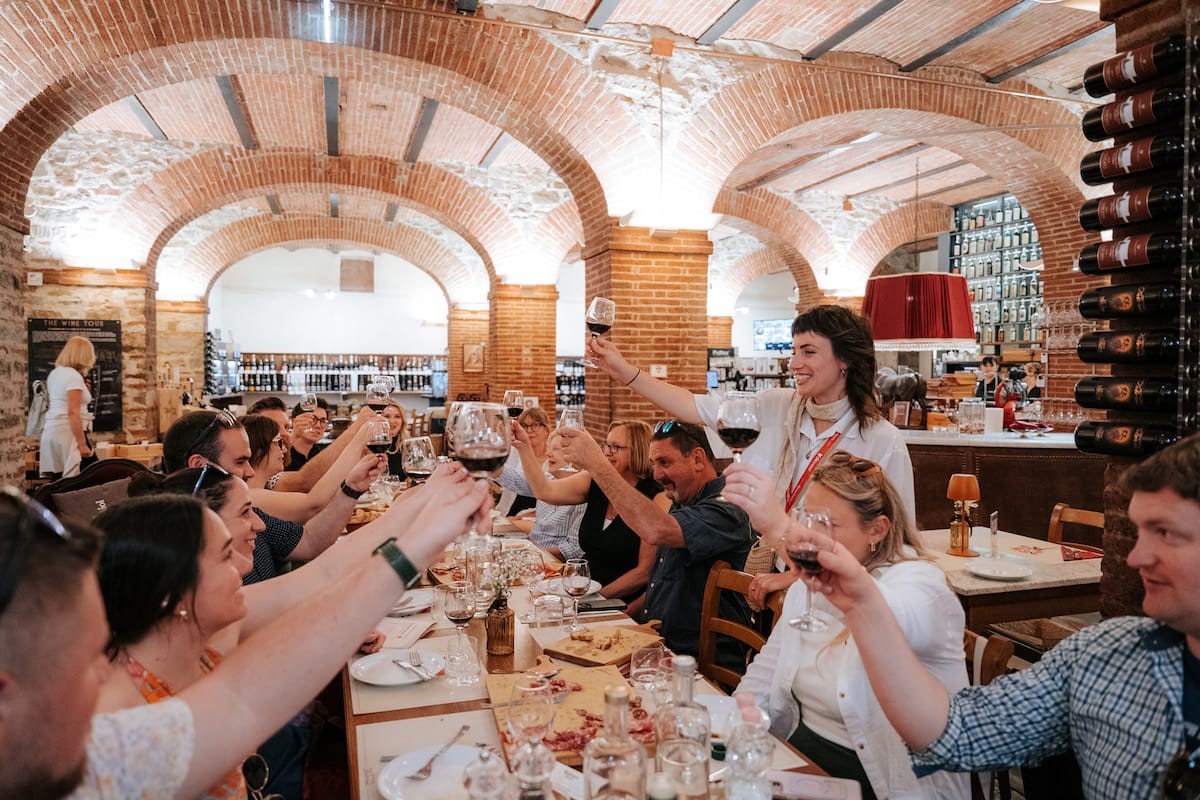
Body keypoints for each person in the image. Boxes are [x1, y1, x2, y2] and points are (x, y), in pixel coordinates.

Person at [0, 468, 489, 800]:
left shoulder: (107, 752)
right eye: (88, 657)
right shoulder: (111, 728)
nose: (243, 560)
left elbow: (247, 695)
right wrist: (412, 547)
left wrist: (423, 522)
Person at [788, 431, 1200, 798]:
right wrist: (861, 603)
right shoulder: (1104, 656)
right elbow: (956, 733)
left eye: (1165, 533)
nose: (1138, 556)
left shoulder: (920, 584)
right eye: (1140, 532)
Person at [587, 304, 914, 604]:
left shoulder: (882, 441)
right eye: (794, 350)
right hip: (779, 586)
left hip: (844, 596)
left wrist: (795, 574)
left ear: (846, 360)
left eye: (809, 352)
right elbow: (693, 406)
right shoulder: (777, 406)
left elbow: (892, 544)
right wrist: (624, 371)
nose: (794, 362)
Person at [733, 451, 969, 799]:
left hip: (887, 781)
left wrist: (777, 528)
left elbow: (880, 612)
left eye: (826, 524)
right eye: (807, 519)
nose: (810, 535)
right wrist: (739, 726)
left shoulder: (922, 585)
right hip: (798, 766)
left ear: (877, 529)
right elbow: (762, 680)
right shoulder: (805, 590)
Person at [556, 419, 753, 662]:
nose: (657, 474)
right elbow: (661, 583)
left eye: (665, 462)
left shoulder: (727, 506)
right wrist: (618, 617)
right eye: (653, 464)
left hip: (693, 660)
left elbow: (655, 530)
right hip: (655, 640)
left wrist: (598, 465)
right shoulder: (684, 502)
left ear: (698, 459)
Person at [161, 411, 377, 583]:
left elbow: (310, 541)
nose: (250, 471)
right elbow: (263, 609)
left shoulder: (249, 515)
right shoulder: (183, 553)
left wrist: (351, 489)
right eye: (239, 462)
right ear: (199, 465)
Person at [514, 420, 667, 604]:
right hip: (580, 591)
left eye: (616, 447)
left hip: (618, 601)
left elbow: (644, 573)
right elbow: (543, 491)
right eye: (607, 445)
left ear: (638, 451)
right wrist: (524, 447)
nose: (607, 452)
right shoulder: (594, 481)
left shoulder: (657, 495)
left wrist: (594, 599)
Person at [497, 427, 587, 558]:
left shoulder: (582, 494)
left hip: (552, 564)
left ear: (574, 455)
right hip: (532, 549)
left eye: (556, 449)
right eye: (549, 449)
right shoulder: (547, 480)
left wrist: (531, 556)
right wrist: (486, 462)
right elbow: (516, 479)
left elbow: (573, 549)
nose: (548, 454)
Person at [39, 335, 97, 479]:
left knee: (59, 477)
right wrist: (81, 443)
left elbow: (61, 401)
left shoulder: (55, 373)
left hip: (53, 430)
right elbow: (72, 411)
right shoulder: (73, 377)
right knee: (90, 475)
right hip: (69, 432)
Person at [499, 407, 552, 516]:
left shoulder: (554, 457)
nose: (529, 430)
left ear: (546, 430)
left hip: (541, 518)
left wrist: (527, 515)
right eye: (525, 426)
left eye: (535, 425)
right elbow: (495, 467)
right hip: (509, 514)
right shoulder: (514, 451)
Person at [286, 398, 330, 472]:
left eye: (323, 421)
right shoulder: (282, 455)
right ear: (294, 422)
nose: (318, 426)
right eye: (313, 419)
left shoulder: (318, 453)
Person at [380, 399, 409, 479]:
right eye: (387, 416)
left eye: (397, 417)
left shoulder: (409, 445)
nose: (392, 421)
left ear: (402, 421)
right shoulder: (371, 447)